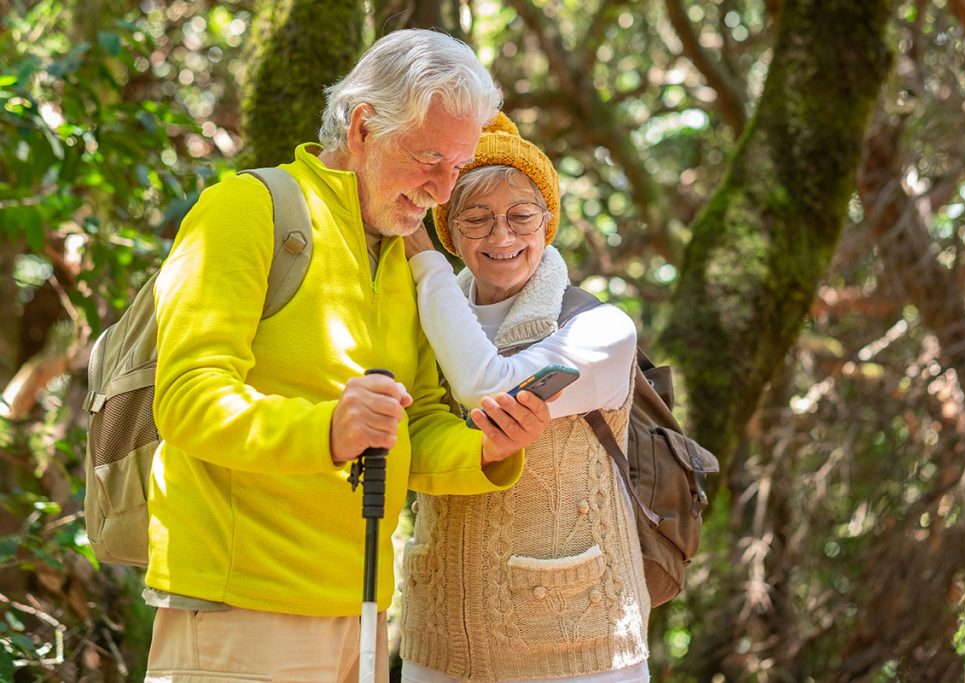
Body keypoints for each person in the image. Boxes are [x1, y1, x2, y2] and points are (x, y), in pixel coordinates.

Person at [143, 30, 552, 683]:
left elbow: (414, 427)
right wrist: (329, 430)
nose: (442, 192)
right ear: (363, 127)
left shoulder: (402, 257)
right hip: (239, 608)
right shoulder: (246, 209)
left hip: (361, 615)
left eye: (457, 167)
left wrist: (487, 448)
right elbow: (186, 399)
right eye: (430, 158)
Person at [399, 113, 650, 682]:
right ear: (451, 231)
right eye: (477, 218)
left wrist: (423, 259)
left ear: (548, 223)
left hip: (578, 643)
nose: (502, 237)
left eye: (521, 216)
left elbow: (487, 386)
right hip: (441, 639)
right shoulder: (418, 320)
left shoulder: (601, 329)